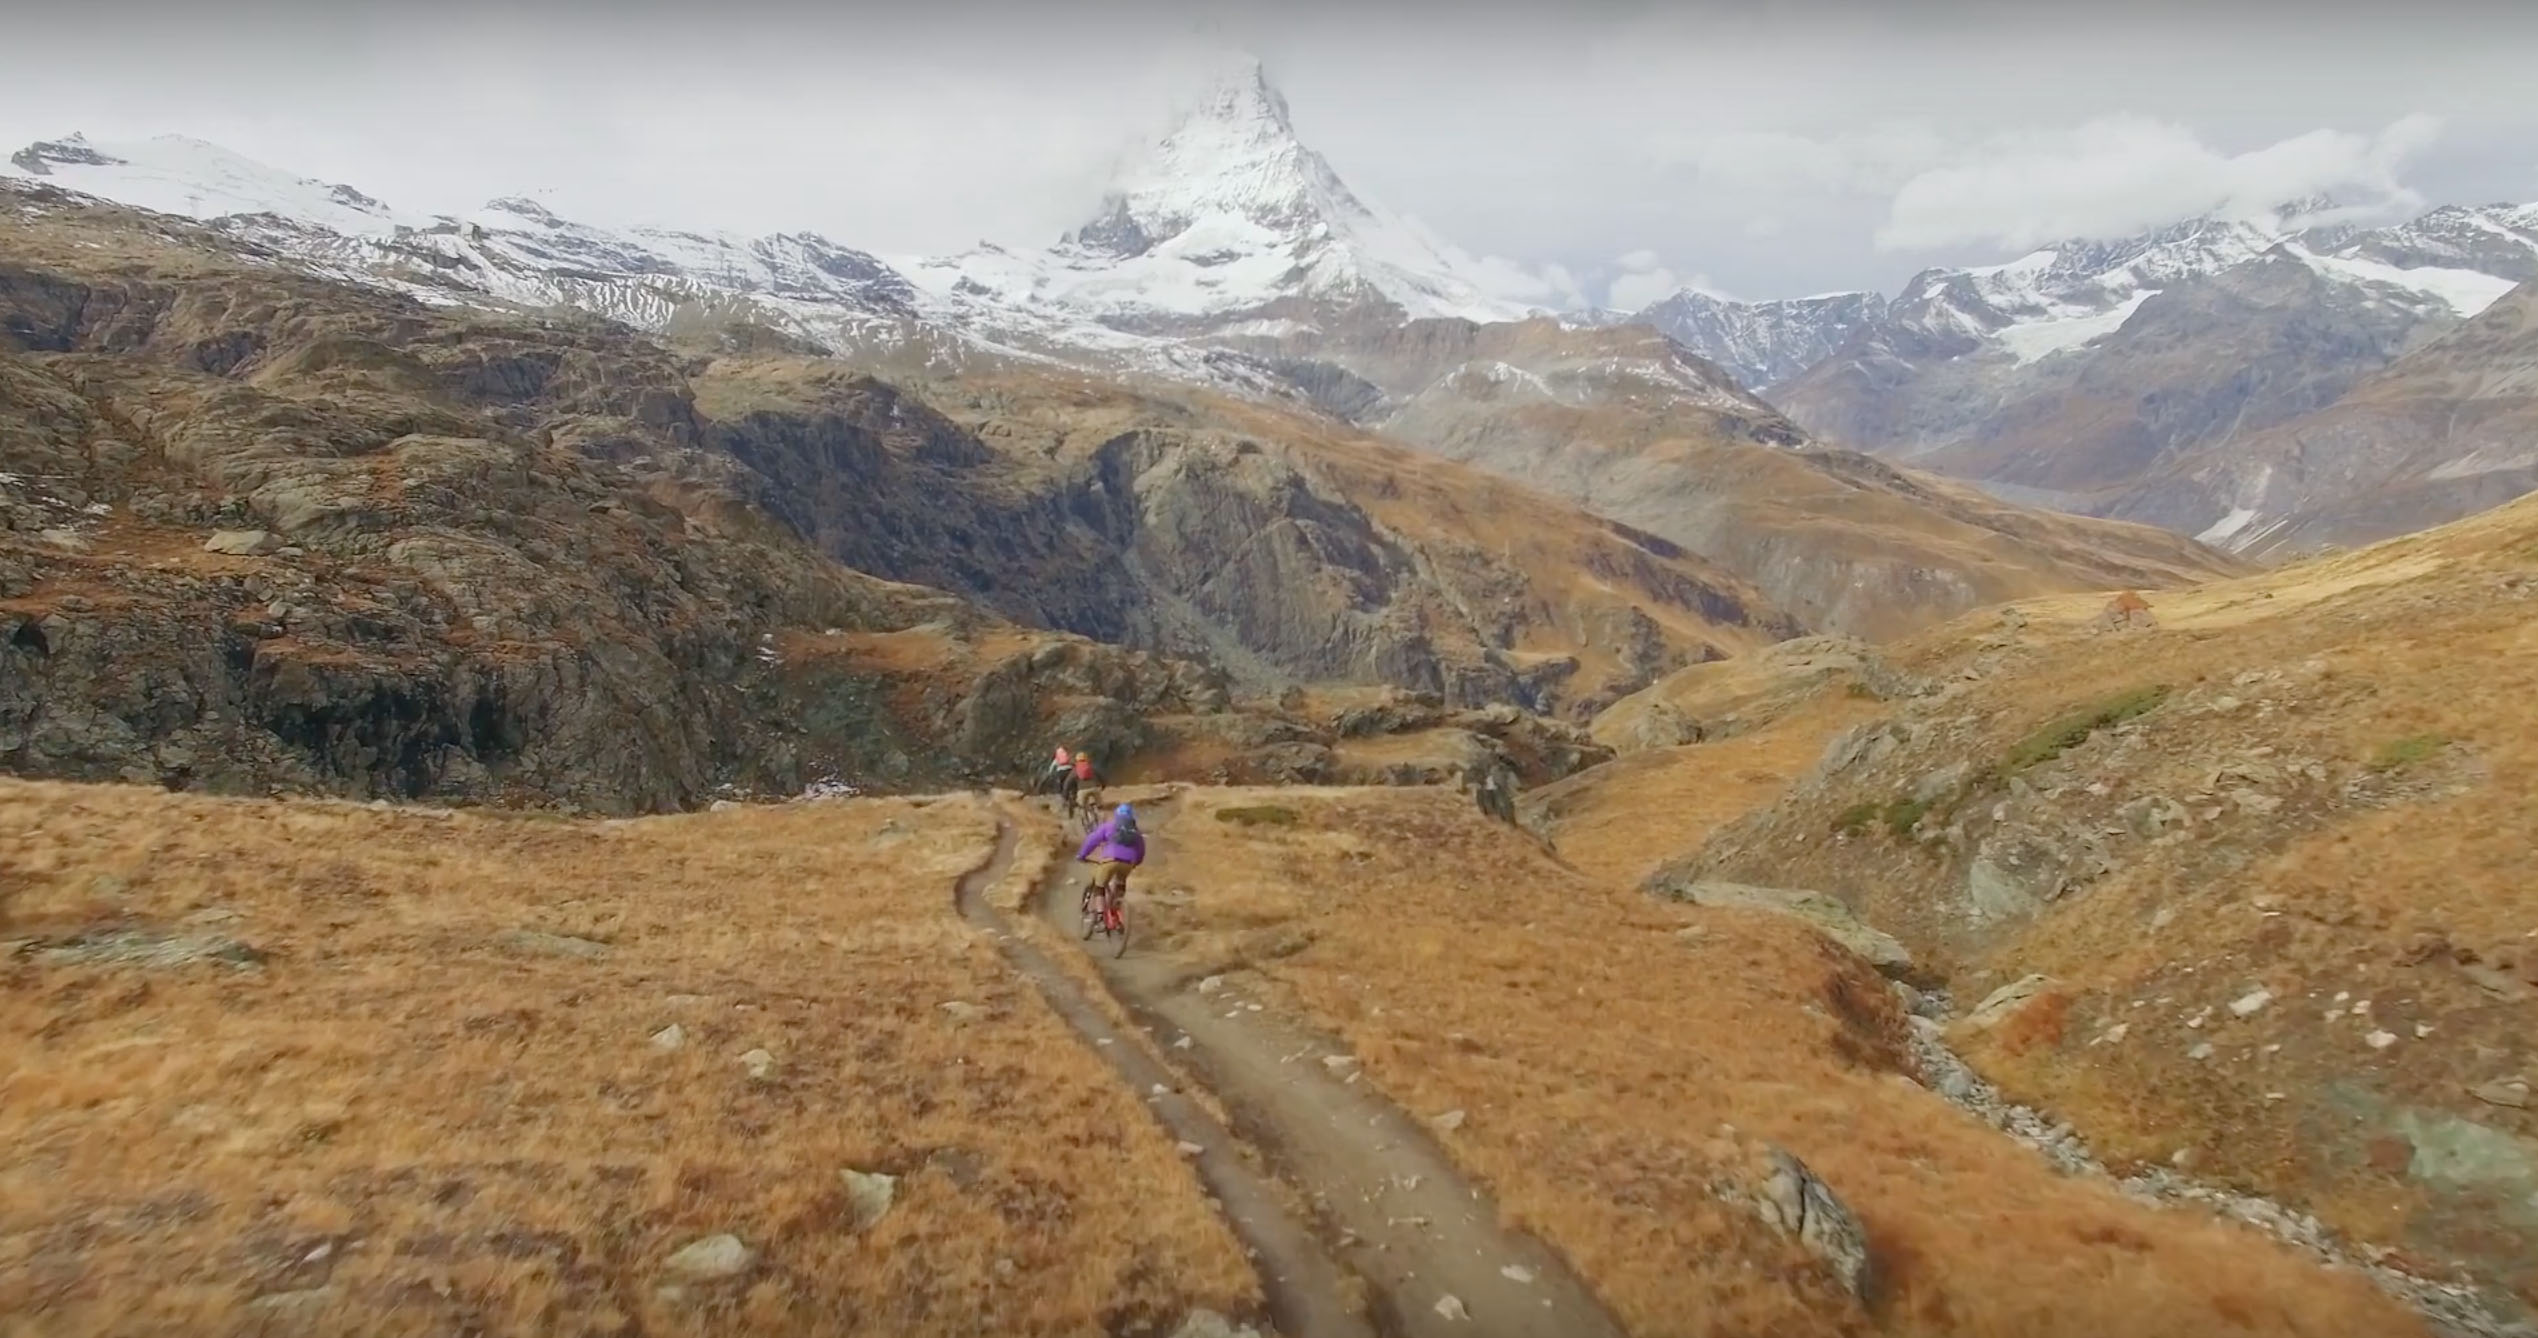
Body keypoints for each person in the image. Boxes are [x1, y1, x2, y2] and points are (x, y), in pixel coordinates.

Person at [1076, 802, 1145, 922]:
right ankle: (1116, 911)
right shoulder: (1136, 832)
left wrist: (1082, 855)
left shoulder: (1109, 826)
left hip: (1110, 860)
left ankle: (1100, 915)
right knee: (1120, 884)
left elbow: (1092, 840)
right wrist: (1135, 863)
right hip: (1128, 863)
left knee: (1100, 886)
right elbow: (1141, 850)